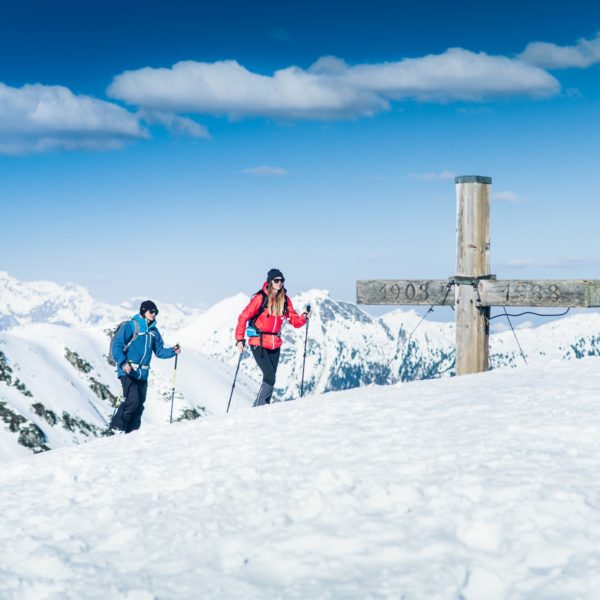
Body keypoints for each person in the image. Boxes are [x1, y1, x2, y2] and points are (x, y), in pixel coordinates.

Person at [235, 269, 309, 406]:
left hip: (275, 343)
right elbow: (243, 316)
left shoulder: (285, 300)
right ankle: (259, 406)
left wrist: (303, 318)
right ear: (270, 282)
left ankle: (263, 405)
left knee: (271, 377)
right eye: (276, 280)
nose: (279, 283)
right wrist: (239, 339)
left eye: (282, 280)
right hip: (259, 341)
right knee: (269, 376)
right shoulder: (260, 298)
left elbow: (294, 320)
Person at [108, 300, 181, 434]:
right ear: (143, 311)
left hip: (143, 374)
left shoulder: (154, 331)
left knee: (140, 404)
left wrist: (172, 351)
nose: (154, 314)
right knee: (132, 400)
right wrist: (124, 363)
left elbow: (159, 351)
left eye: (155, 312)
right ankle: (116, 429)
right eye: (151, 311)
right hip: (128, 371)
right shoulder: (131, 326)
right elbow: (116, 346)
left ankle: (132, 433)